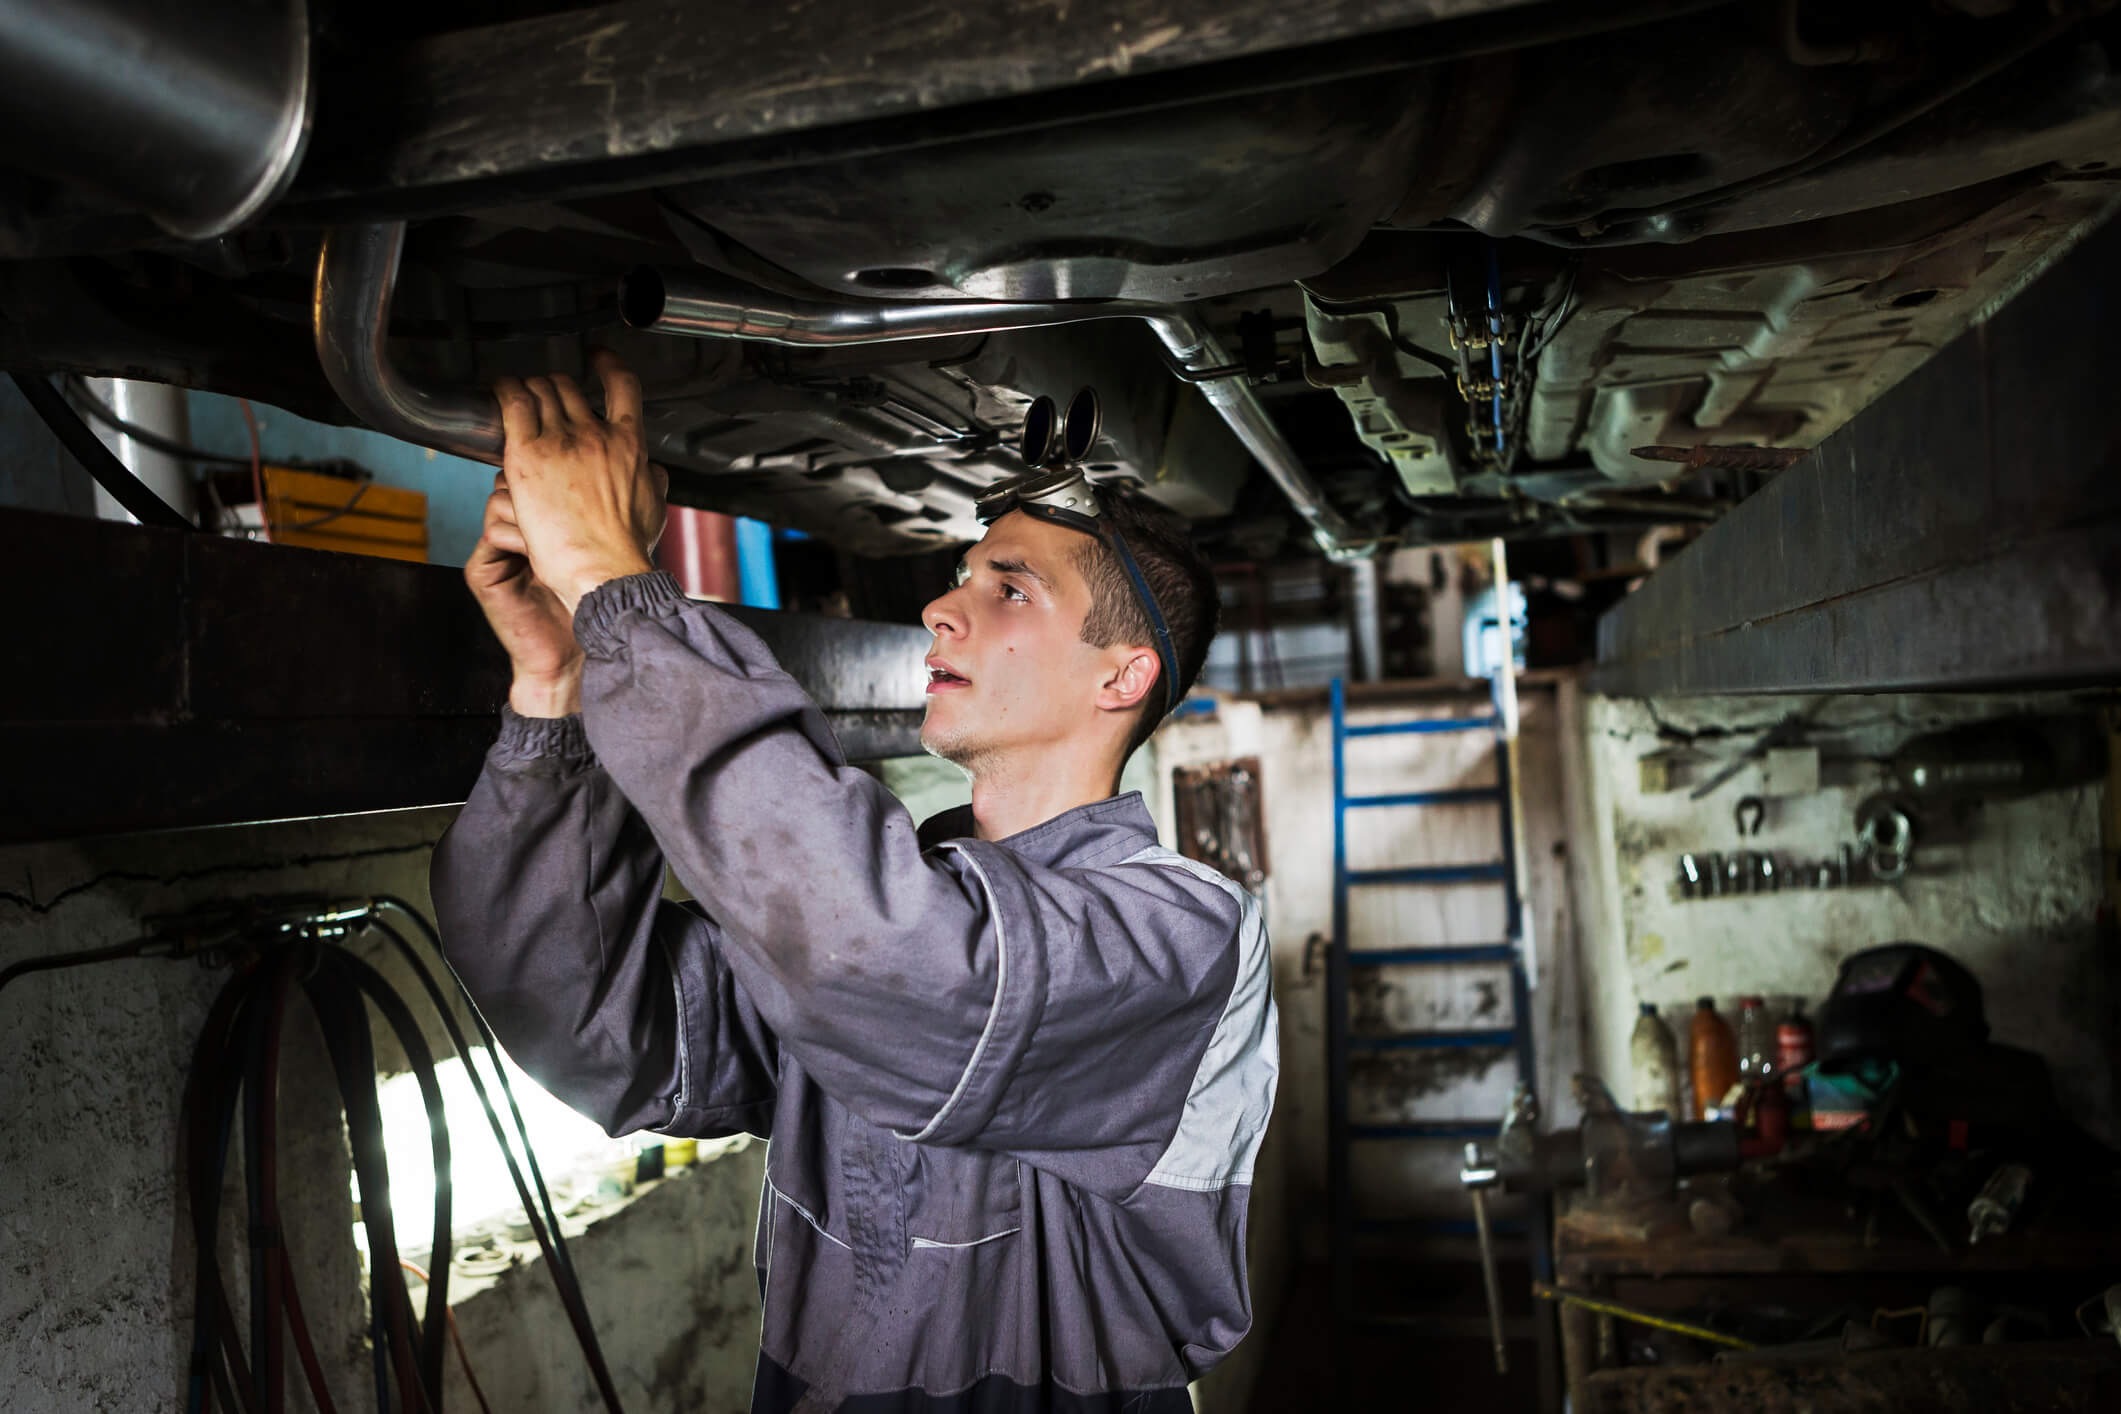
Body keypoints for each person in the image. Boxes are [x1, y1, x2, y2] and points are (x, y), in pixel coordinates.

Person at [431, 352, 1278, 1414]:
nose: (940, 608)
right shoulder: (888, 902)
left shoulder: (1182, 937)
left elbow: (904, 969)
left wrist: (619, 590)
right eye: (963, 575)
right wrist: (561, 681)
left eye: (1008, 588)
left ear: (1123, 674)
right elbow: (592, 1021)